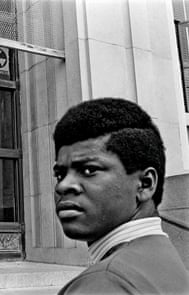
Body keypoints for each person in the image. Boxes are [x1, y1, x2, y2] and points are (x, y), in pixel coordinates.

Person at [52, 98, 189, 294]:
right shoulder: (166, 261)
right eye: (60, 174)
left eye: (89, 170)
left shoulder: (105, 282)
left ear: (145, 184)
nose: (62, 185)